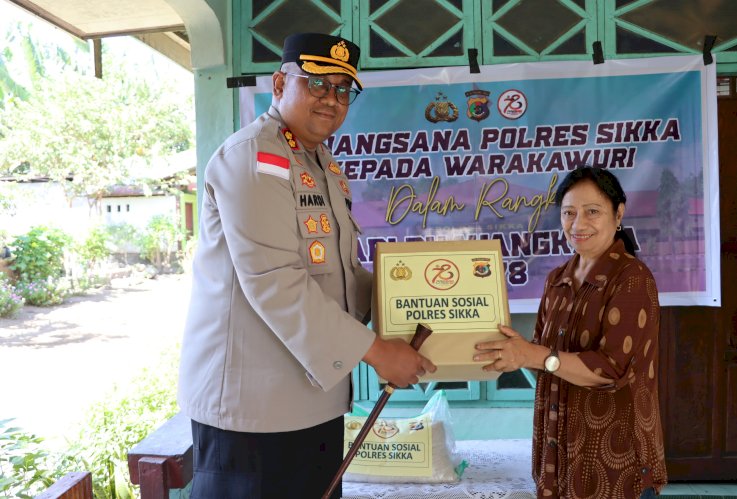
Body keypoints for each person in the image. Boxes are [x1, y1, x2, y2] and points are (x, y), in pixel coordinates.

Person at [178, 32, 436, 499]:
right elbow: (276, 281)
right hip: (254, 411)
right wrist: (379, 351)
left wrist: (405, 295)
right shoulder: (255, 158)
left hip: (311, 398)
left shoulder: (320, 165)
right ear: (279, 83)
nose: (331, 99)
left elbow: (336, 276)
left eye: (342, 89)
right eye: (317, 83)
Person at [474, 166, 667, 498]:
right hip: (557, 454)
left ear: (618, 213)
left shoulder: (632, 278)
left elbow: (612, 369)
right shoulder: (558, 279)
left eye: (592, 212)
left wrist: (534, 355)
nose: (578, 224)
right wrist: (513, 355)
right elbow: (543, 354)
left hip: (615, 462)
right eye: (569, 213)